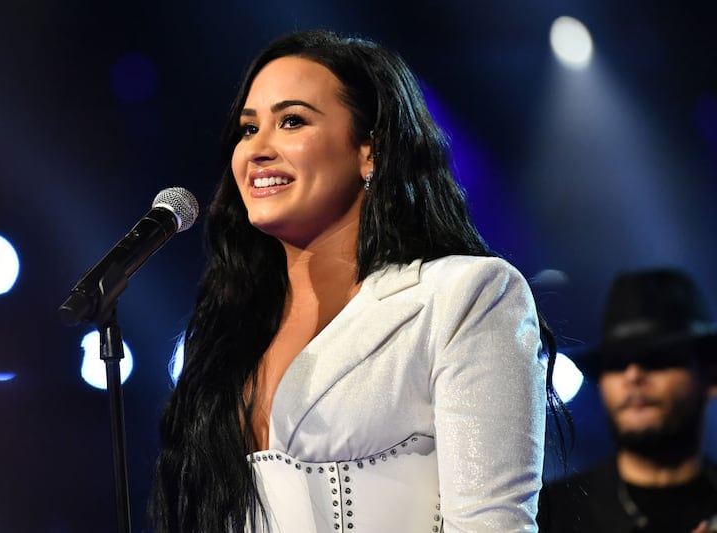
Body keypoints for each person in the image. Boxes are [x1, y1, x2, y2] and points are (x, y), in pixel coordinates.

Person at [147, 28, 565, 532]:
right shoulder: (226, 335)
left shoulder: (466, 295)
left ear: (371, 151)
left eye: (292, 121)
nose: (256, 149)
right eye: (248, 129)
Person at [538, 267, 717, 533]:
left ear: (710, 378)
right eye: (616, 363)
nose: (633, 375)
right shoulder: (548, 516)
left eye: (657, 359)